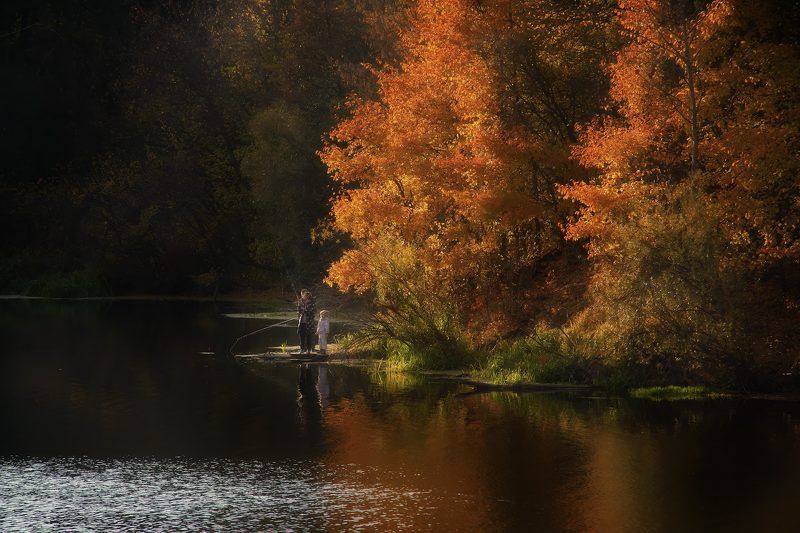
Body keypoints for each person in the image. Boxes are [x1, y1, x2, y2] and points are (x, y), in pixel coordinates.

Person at [296, 289, 316, 353]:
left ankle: (309, 350)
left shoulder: (312, 302)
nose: (304, 296)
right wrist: (300, 311)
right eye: (303, 295)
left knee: (308, 336)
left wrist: (306, 311)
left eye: (305, 294)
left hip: (309, 322)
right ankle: (302, 349)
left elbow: (314, 311)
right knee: (301, 336)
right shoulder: (300, 302)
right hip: (301, 322)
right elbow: (298, 310)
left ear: (308, 295)